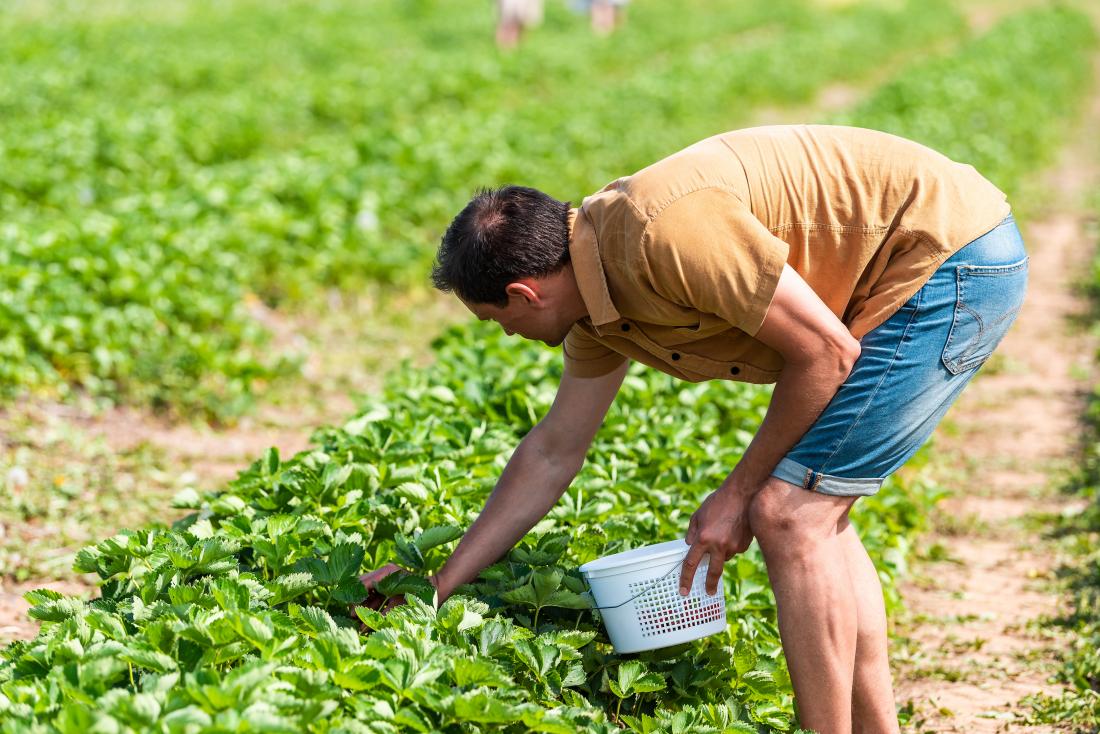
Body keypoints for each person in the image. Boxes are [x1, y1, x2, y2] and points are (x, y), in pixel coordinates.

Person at [362, 125, 1028, 732]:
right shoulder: (595, 307)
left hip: (948, 260)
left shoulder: (661, 232)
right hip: (908, 271)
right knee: (812, 514)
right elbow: (553, 451)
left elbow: (824, 354)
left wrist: (735, 496)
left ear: (524, 295)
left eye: (497, 321)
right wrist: (439, 585)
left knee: (791, 515)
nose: (508, 335)